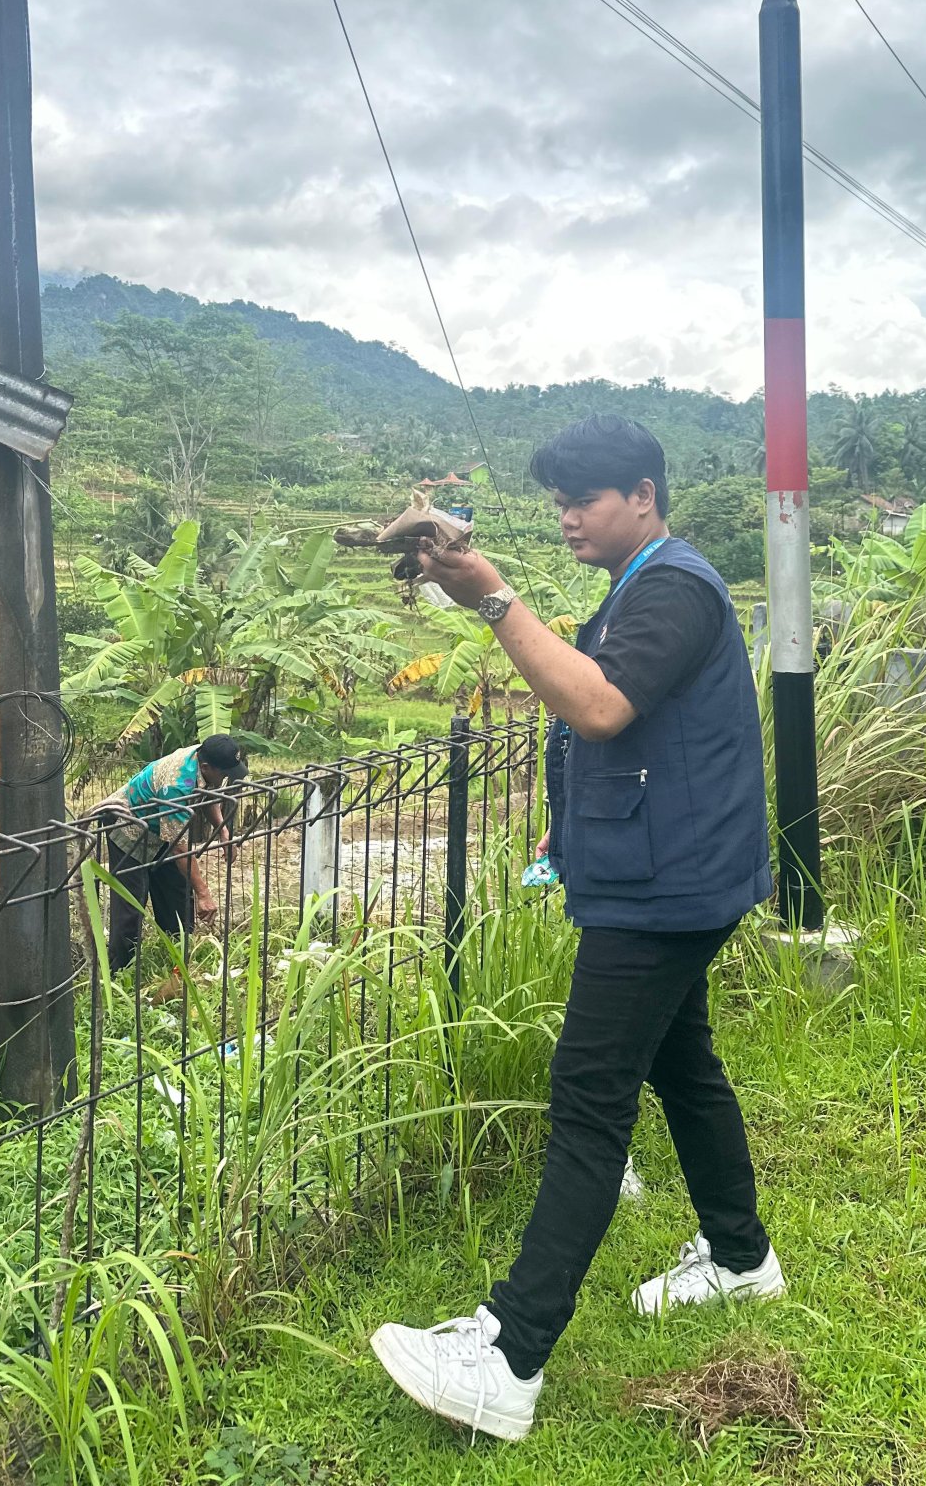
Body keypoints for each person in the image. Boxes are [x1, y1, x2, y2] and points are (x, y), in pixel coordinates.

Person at [371, 416, 781, 1443]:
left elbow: (598, 708)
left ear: (642, 493)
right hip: (668, 874)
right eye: (558, 500)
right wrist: (470, 580)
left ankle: (508, 1359)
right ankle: (741, 1258)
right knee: (682, 1065)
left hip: (666, 888)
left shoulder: (676, 586)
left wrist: (493, 599)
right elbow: (600, 701)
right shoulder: (642, 582)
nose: (567, 517)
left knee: (589, 1100)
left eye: (584, 499)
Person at [91, 733, 246, 974]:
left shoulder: (203, 755)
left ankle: (178, 959)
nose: (226, 778)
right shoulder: (176, 785)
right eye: (224, 773)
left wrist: (223, 831)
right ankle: (119, 974)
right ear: (205, 766)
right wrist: (204, 893)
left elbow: (209, 791)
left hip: (162, 827)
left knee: (177, 896)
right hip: (130, 827)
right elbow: (180, 847)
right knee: (131, 907)